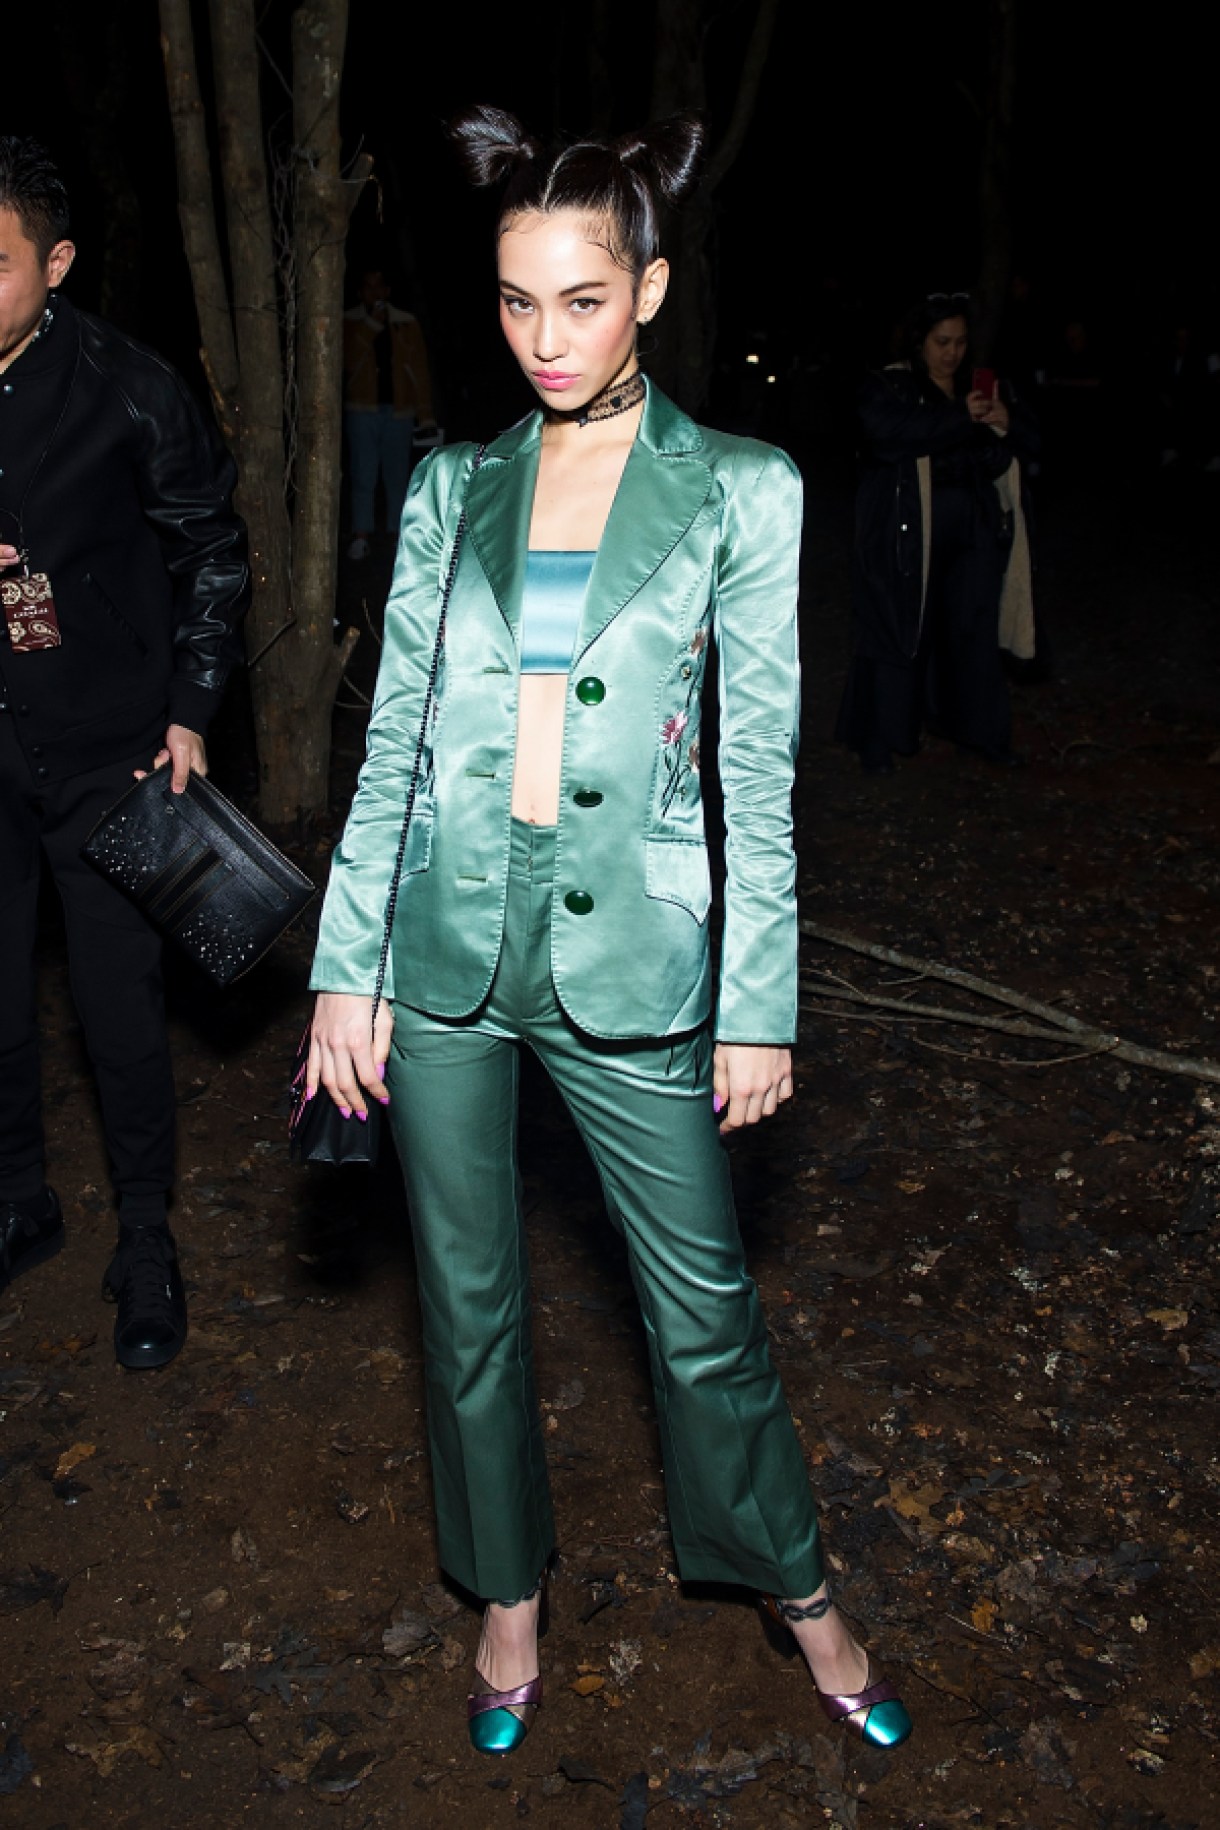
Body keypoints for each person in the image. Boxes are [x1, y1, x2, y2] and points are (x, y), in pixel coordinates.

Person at [306, 105, 912, 1759]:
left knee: (703, 1305)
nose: (545, 339)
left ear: (646, 286)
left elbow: (758, 781)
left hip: (636, 966)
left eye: (582, 299)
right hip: (444, 957)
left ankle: (802, 1595)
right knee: (468, 1297)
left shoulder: (741, 490)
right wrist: (344, 968)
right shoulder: (453, 489)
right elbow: (398, 750)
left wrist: (758, 998)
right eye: (514, 302)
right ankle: (506, 1592)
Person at [0, 140, 249, 1367]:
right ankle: (20, 1200)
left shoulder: (125, 383)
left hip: (110, 758)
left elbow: (212, 544)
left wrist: (194, 705)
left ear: (54, 262)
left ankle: (145, 1242)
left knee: (118, 1015)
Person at [836, 293, 1039, 773]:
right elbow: (883, 434)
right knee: (900, 631)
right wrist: (958, 418)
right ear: (920, 342)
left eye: (961, 342)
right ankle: (882, 738)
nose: (952, 352)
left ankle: (979, 732)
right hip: (908, 537)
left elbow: (1031, 445)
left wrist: (1006, 423)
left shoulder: (982, 387)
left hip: (975, 532)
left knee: (973, 630)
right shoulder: (893, 386)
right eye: (942, 341)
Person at [343, 268, 436, 559]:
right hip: (361, 409)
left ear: (388, 290)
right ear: (360, 292)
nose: (375, 292)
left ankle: (398, 535)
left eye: (379, 286)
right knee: (363, 474)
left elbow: (419, 370)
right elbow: (346, 361)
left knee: (397, 476)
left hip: (399, 412)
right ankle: (361, 534)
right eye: (368, 287)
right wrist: (371, 325)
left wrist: (426, 414)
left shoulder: (405, 322)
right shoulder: (349, 321)